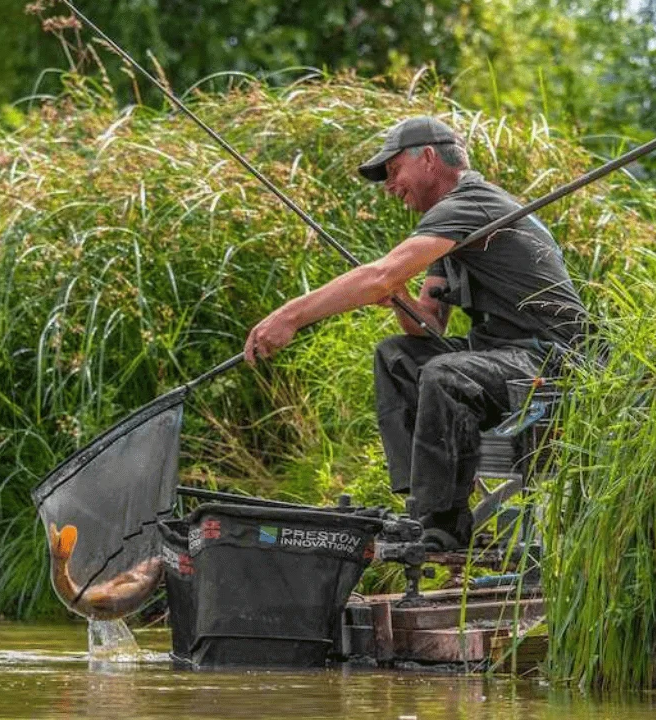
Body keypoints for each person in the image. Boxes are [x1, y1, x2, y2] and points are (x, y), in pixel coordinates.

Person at [244, 116, 587, 550]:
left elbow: (379, 275)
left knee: (446, 375)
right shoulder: (450, 226)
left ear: (427, 158)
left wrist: (290, 316)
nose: (390, 186)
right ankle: (421, 508)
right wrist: (400, 298)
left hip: (552, 358)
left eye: (392, 172)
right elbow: (428, 322)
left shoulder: (472, 202)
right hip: (504, 352)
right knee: (398, 357)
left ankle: (439, 524)